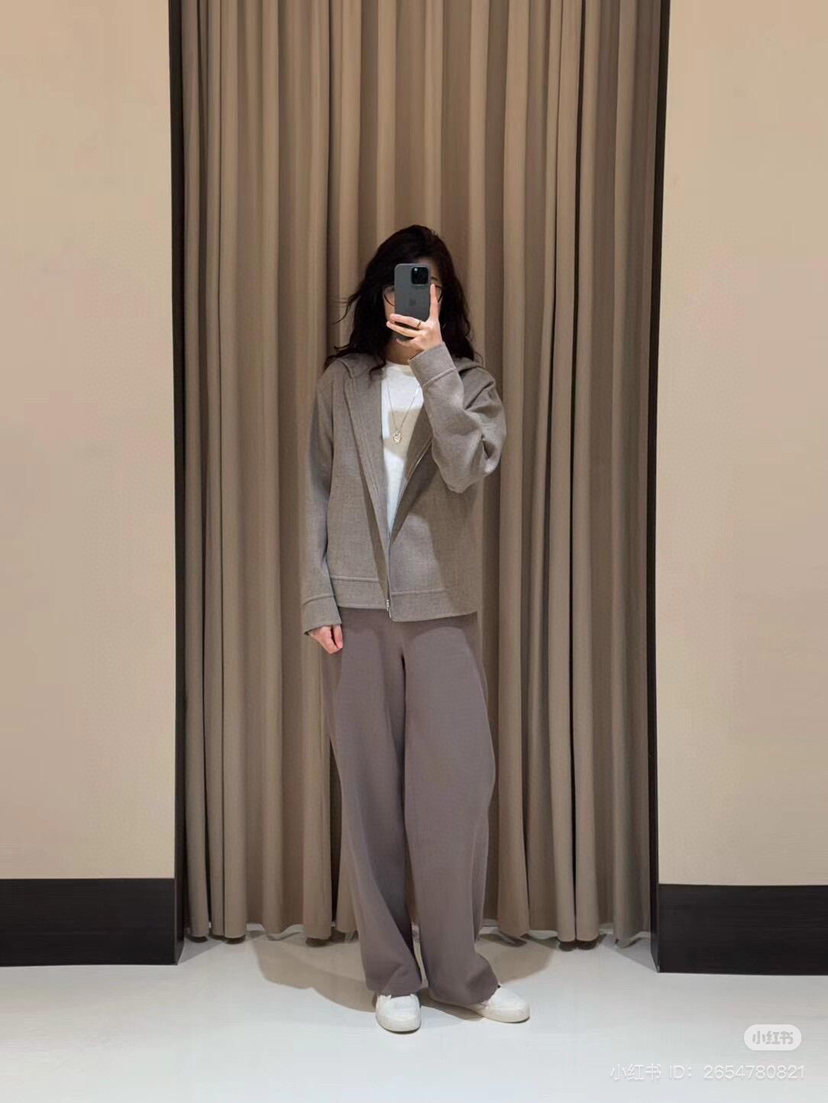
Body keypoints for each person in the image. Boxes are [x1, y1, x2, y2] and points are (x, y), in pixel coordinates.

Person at [301, 224, 529, 1032]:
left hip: (442, 611)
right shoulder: (342, 382)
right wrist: (317, 597)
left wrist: (434, 362)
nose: (413, 297)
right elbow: (315, 489)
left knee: (456, 791)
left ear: (443, 296)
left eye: (427, 284)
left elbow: (467, 467)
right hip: (356, 612)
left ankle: (461, 973)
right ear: (379, 292)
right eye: (402, 282)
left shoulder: (471, 382)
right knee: (370, 797)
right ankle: (393, 973)